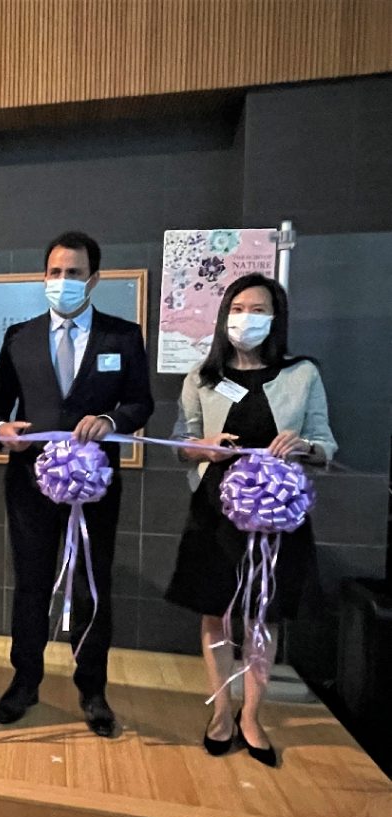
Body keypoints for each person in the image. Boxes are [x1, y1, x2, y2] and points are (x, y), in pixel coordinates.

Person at [0, 230, 153, 736]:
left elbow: (142, 402)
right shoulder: (20, 337)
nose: (63, 282)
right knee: (31, 582)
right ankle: (25, 680)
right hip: (30, 482)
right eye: (55, 273)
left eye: (74, 273)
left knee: (91, 584)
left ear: (94, 279)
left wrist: (112, 419)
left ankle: (92, 689)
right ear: (43, 278)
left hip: (95, 484)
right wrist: (0, 432)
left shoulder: (122, 337)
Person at [165, 273, 336, 767]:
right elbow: (181, 442)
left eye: (259, 309)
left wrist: (305, 446)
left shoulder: (303, 374)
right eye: (238, 307)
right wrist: (202, 447)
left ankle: (252, 717)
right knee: (216, 611)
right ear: (224, 316)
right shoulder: (201, 376)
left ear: (276, 318)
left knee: (263, 613)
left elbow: (326, 441)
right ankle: (221, 712)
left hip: (278, 518)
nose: (247, 317)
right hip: (215, 515)